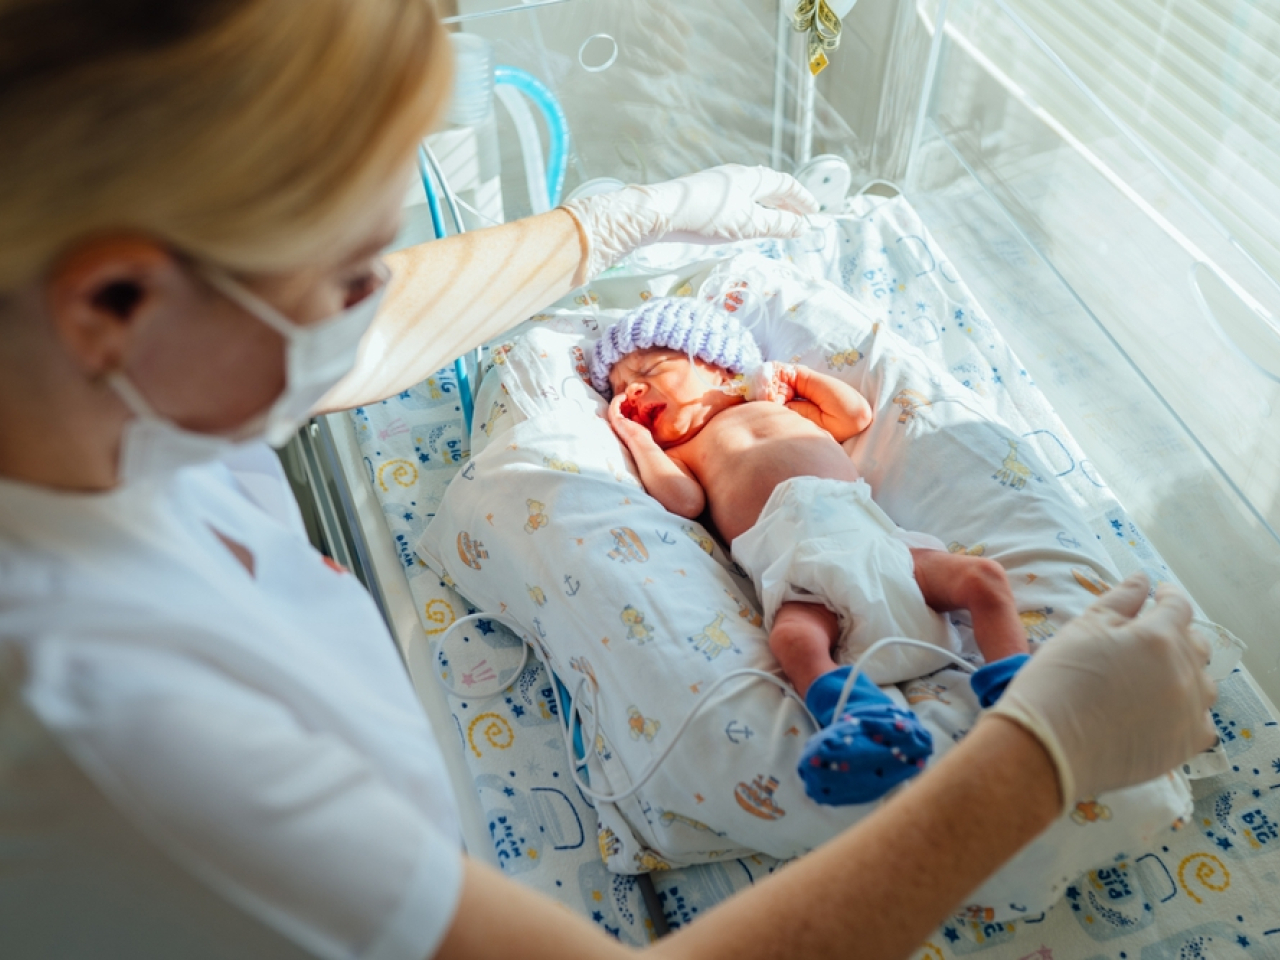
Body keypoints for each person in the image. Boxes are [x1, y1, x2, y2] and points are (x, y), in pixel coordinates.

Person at [0, 2, 1218, 959]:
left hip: (836, 526)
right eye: (355, 268)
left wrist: (624, 224)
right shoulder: (104, 727)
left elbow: (339, 345)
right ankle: (864, 708)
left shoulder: (89, 383)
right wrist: (1037, 757)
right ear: (115, 299)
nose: (373, 302)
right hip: (788, 560)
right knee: (804, 636)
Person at [591, 298, 1030, 806]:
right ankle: (861, 721)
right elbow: (683, 501)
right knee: (795, 640)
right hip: (797, 567)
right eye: (621, 390)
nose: (632, 391)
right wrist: (637, 438)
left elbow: (855, 414)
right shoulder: (680, 453)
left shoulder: (776, 407)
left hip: (876, 542)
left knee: (983, 578)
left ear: (712, 361)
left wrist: (797, 377)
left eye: (648, 369)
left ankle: (1018, 689)